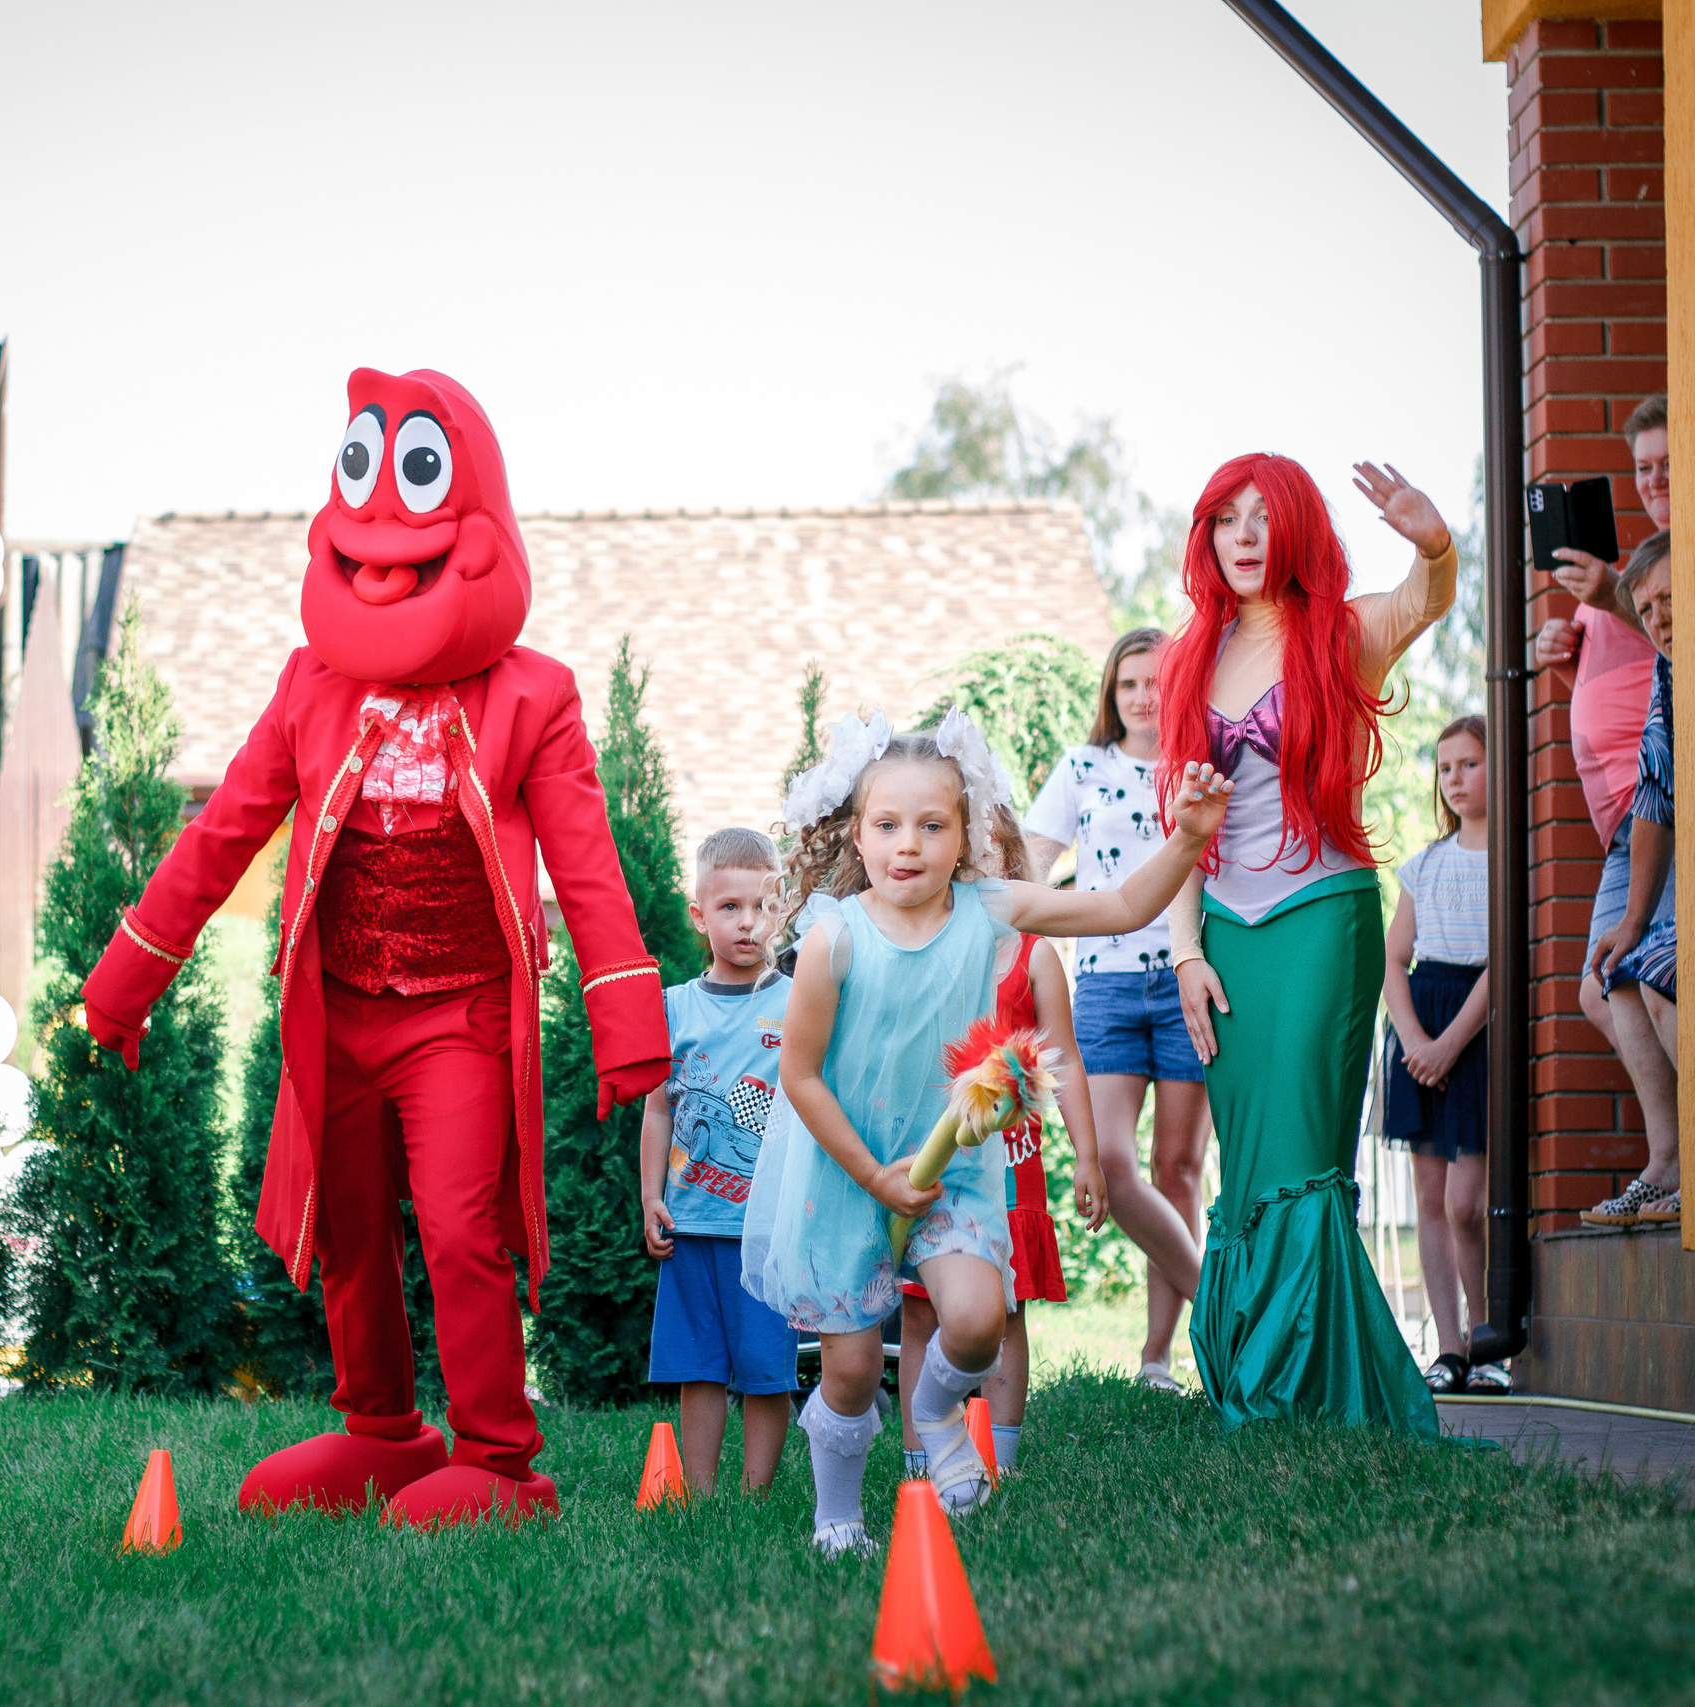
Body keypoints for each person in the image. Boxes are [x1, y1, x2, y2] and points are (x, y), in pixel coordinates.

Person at [79, 369, 669, 1528]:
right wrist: (123, 981)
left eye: (421, 486)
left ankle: (500, 1458)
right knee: (345, 1228)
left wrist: (628, 1027)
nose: (386, 535)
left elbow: (586, 866)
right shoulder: (311, 683)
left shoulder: (532, 695)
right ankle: (382, 1430)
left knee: (458, 1228)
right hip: (336, 1010)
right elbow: (224, 831)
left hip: (456, 1013)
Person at [743, 709, 1229, 1555]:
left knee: (973, 1318)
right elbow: (802, 1077)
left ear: (965, 832)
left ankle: (934, 1413)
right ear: (856, 835)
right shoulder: (833, 941)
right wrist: (872, 1177)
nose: (909, 844)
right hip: (843, 1168)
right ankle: (838, 1517)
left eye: (933, 825)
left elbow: (1115, 903)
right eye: (888, 825)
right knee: (853, 1368)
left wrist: (1186, 841)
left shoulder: (991, 910)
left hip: (948, 1166)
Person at [1163, 453, 1458, 1437]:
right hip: (1223, 939)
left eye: (1262, 518)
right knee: (1246, 1160)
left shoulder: (1342, 632)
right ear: (1206, 538)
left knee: (1300, 1156)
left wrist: (1431, 541)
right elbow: (1182, 832)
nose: (1243, 536)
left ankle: (1301, 1393)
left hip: (1322, 920)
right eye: (1225, 520)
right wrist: (1184, 954)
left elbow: (1425, 598)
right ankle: (1266, 1374)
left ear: (1293, 532)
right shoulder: (1189, 659)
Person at [1021, 628, 1209, 1393]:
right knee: (1112, 1163)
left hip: (1186, 978)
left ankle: (1158, 1357)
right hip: (1101, 982)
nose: (1142, 695)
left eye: (1157, 681)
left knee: (1179, 1168)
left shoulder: (1199, 770)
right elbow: (1029, 865)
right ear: (1112, 692)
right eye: (1128, 682)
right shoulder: (1082, 767)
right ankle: (1220, 1305)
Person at [896, 804, 1085, 1479]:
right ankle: (923, 1464)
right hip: (940, 1166)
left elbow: (1064, 1057)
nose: (977, 869)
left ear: (1011, 864)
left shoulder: (1034, 956)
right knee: (920, 1316)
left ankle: (999, 1460)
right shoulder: (923, 950)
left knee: (1006, 1312)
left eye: (990, 855)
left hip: (1012, 1169)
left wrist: (1087, 1155)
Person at [1532, 394, 1675, 1205]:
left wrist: (1618, 591)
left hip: (1664, 800)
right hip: (1626, 813)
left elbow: (1681, 642)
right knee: (1606, 983)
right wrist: (1567, 655)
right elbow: (1629, 674)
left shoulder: (1665, 562)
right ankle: (1671, 1164)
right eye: (1644, 469)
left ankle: (1694, 1157)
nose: (1654, 481)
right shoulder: (1641, 560)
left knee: (1652, 976)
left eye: (1668, 466)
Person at [639, 828, 798, 1494]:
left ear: (782, 912)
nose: (748, 921)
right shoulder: (674, 1007)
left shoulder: (797, 1003)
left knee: (767, 1366)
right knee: (698, 1367)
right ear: (699, 914)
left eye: (763, 906)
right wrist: (652, 1196)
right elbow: (657, 1110)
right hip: (692, 1226)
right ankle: (701, 1492)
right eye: (729, 906)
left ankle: (755, 1493)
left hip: (766, 1233)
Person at [1381, 715, 1504, 1394]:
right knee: (1429, 1198)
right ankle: (1449, 1347)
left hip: (1475, 1027)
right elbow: (1395, 959)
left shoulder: (1510, 860)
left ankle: (1488, 1341)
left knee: (1465, 1202)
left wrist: (1452, 1042)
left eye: (1470, 764)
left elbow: (1501, 961)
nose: (1455, 779)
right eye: (1446, 767)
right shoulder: (1422, 865)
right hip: (1422, 1026)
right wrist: (1416, 1041)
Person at [1584, 532, 1679, 1226]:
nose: (1660, 617)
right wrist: (1632, 922)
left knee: (1661, 971)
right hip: (1665, 852)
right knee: (1620, 968)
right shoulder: (1668, 676)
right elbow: (1654, 794)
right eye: (1646, 609)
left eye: (1671, 597)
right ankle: (1668, 1160)